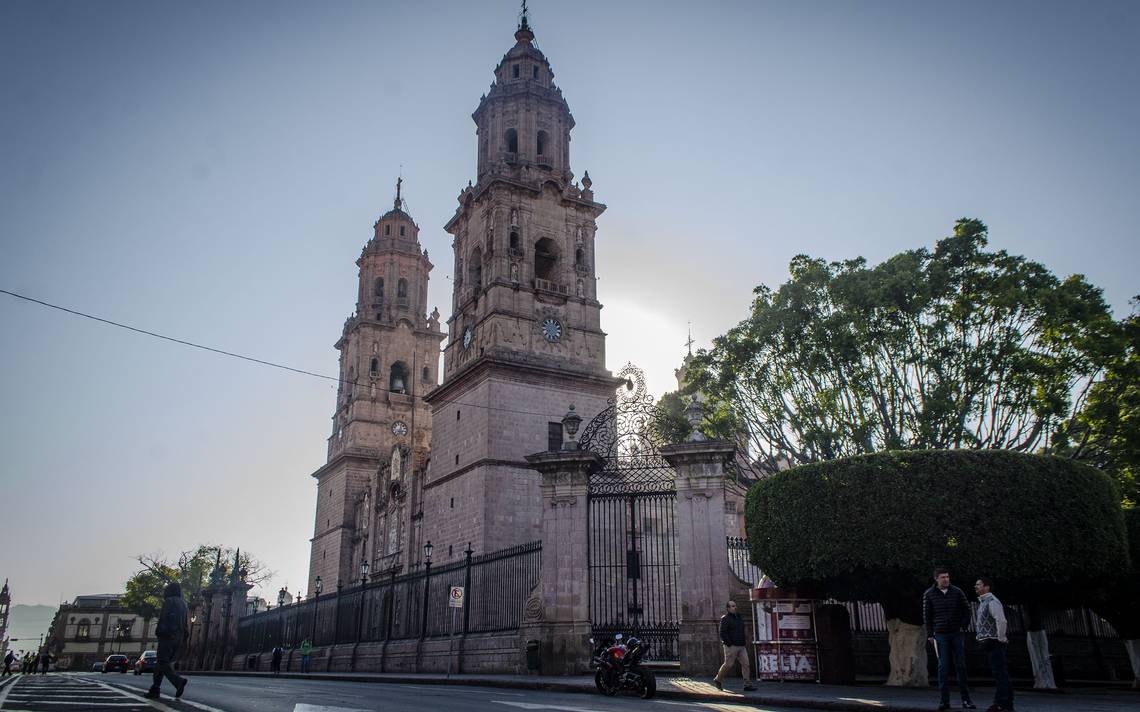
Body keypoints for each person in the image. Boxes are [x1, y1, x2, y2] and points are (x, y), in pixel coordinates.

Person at [924, 567, 975, 710]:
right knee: (943, 666)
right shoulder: (929, 594)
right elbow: (927, 616)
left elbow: (967, 610)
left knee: (961, 666)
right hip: (940, 634)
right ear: (936, 579)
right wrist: (930, 634)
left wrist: (963, 626)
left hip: (956, 633)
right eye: (943, 577)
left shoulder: (957, 591)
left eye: (947, 577)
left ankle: (966, 700)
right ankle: (944, 701)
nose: (946, 579)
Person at [974, 577, 1013, 712]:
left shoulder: (992, 601)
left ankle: (1001, 703)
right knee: (1000, 673)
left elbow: (1001, 620)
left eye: (979, 584)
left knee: (1000, 673)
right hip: (990, 641)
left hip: (994, 641)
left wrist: (1001, 638)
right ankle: (1007, 703)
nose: (976, 586)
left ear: (987, 587)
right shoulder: (984, 602)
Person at [145, 581, 189, 700]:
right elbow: (186, 623)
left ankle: (178, 681)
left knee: (163, 662)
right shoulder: (183, 604)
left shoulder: (169, 601)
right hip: (179, 637)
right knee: (161, 663)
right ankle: (155, 689)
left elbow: (163, 618)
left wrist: (159, 632)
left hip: (168, 636)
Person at [713, 600, 755, 692]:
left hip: (741, 646)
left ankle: (747, 684)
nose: (735, 607)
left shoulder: (738, 617)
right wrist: (729, 643)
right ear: (728, 608)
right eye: (732, 606)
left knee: (746, 664)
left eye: (735, 606)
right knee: (728, 665)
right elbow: (722, 632)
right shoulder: (725, 618)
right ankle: (718, 679)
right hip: (731, 646)